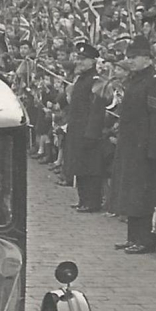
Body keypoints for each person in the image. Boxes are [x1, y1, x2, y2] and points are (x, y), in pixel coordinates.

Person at [112, 35, 156, 254]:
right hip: (131, 145)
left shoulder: (155, 82)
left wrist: (155, 149)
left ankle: (146, 240)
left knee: (143, 195)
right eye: (129, 57)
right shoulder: (135, 79)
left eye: (135, 57)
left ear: (148, 58)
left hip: (145, 147)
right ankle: (133, 237)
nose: (131, 61)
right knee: (131, 193)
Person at [63, 41, 104, 212]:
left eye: (83, 59)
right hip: (76, 130)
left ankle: (92, 201)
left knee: (90, 168)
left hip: (88, 131)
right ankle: (83, 199)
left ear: (93, 61)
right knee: (79, 165)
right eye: (78, 58)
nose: (79, 62)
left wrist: (91, 133)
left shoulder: (96, 81)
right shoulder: (81, 79)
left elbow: (96, 110)